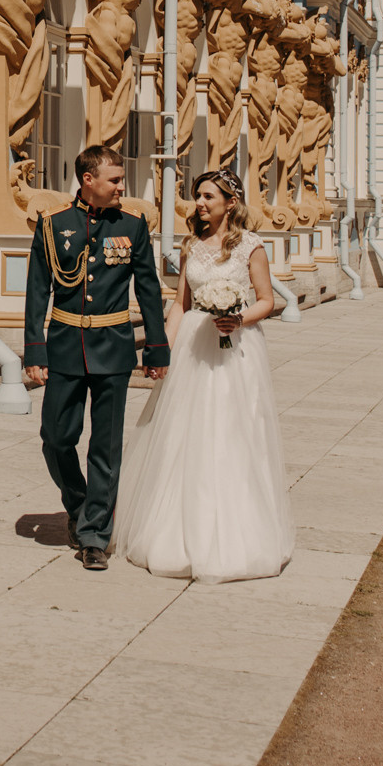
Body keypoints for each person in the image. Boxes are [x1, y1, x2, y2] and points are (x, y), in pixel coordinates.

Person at [113, 168, 295, 582]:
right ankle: (173, 533)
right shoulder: (190, 245)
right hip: (194, 348)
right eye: (198, 195)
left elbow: (268, 300)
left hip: (236, 351)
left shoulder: (252, 246)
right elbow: (181, 304)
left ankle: (239, 536)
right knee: (182, 434)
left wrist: (239, 319)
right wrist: (162, 350)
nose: (200, 203)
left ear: (231, 202)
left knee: (233, 434)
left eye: (209, 196)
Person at [23, 145, 167, 570]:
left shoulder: (134, 225)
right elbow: (37, 290)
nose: (122, 186)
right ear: (89, 180)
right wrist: (35, 348)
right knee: (56, 438)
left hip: (114, 347)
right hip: (66, 345)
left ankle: (94, 536)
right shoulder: (53, 225)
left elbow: (149, 290)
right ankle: (80, 502)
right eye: (115, 179)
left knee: (105, 447)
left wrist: (157, 348)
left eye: (121, 179)